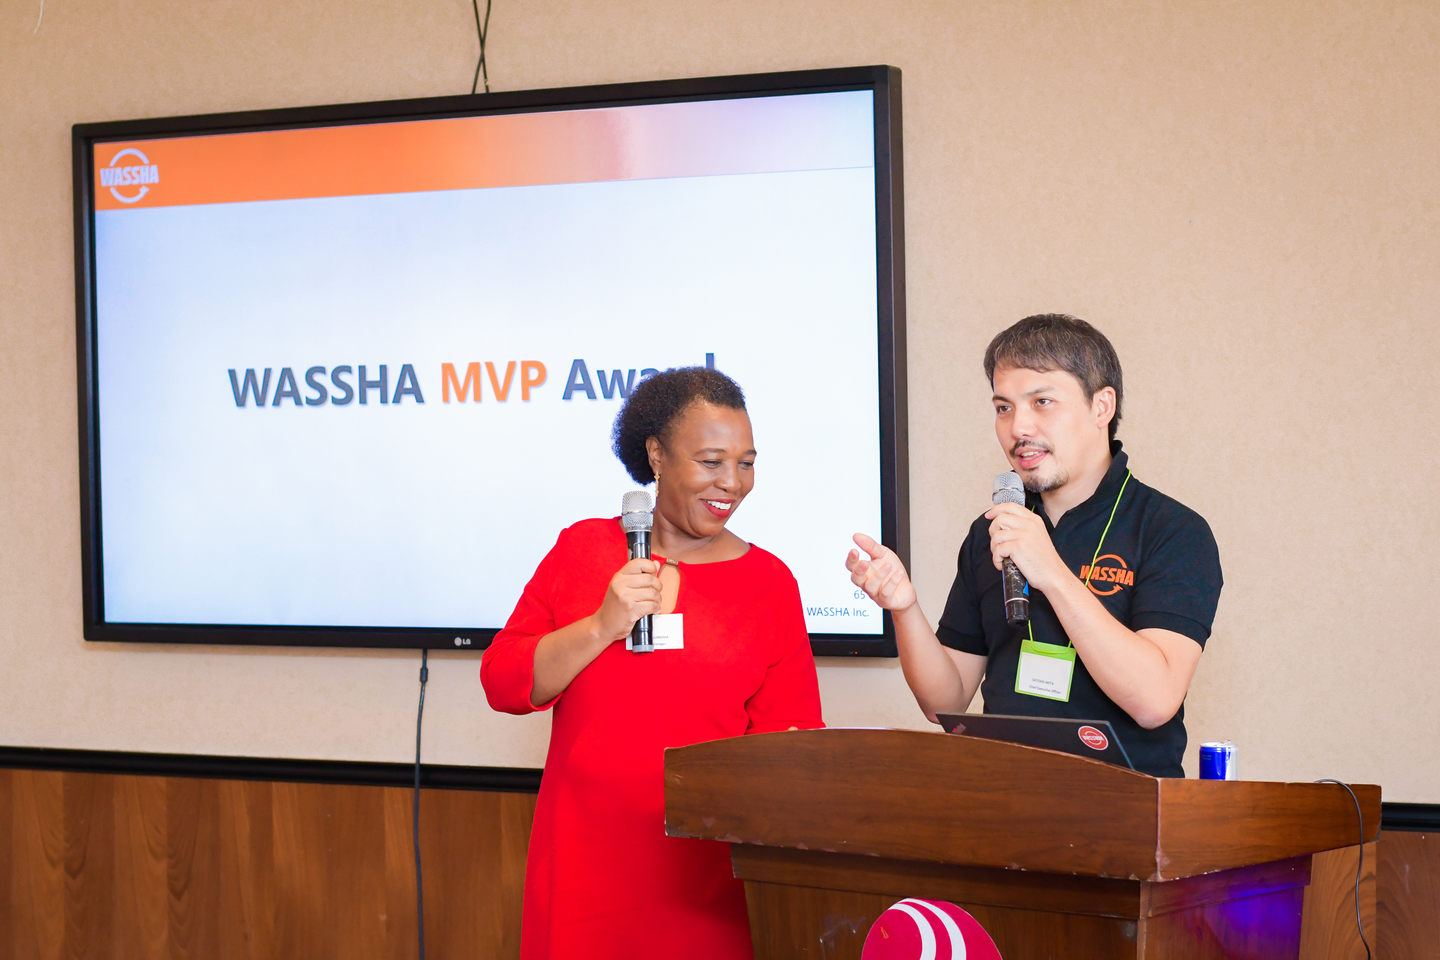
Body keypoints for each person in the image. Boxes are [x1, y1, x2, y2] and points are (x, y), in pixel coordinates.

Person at [481, 367, 824, 960]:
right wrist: (600, 626)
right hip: (583, 873)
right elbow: (503, 681)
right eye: (711, 461)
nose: (733, 482)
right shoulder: (581, 549)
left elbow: (790, 739)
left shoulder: (770, 584)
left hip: (704, 881)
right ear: (657, 455)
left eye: (745, 463)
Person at [848, 314, 1222, 777]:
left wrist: (1050, 571)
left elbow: (1154, 700)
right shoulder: (994, 530)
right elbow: (945, 702)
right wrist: (904, 609)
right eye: (1003, 407)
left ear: (1102, 406)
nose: (1018, 427)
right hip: (1005, 799)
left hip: (1127, 805)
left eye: (1042, 402)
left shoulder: (1172, 530)